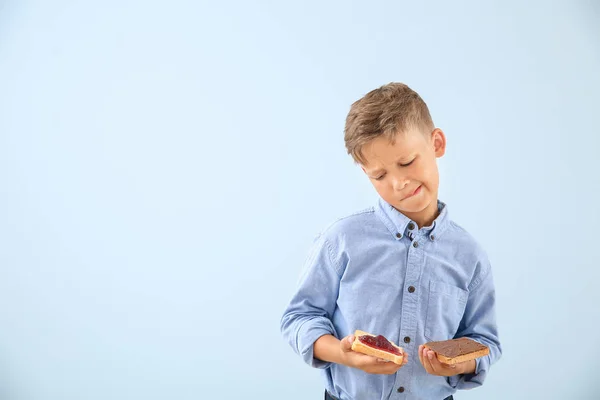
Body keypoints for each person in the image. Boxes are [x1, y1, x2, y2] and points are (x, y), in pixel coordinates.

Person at [280, 82, 502, 400]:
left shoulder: (470, 256)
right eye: (379, 175)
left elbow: (484, 341)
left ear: (436, 143)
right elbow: (299, 317)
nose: (398, 183)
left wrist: (461, 365)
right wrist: (343, 354)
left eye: (407, 162)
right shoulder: (341, 240)